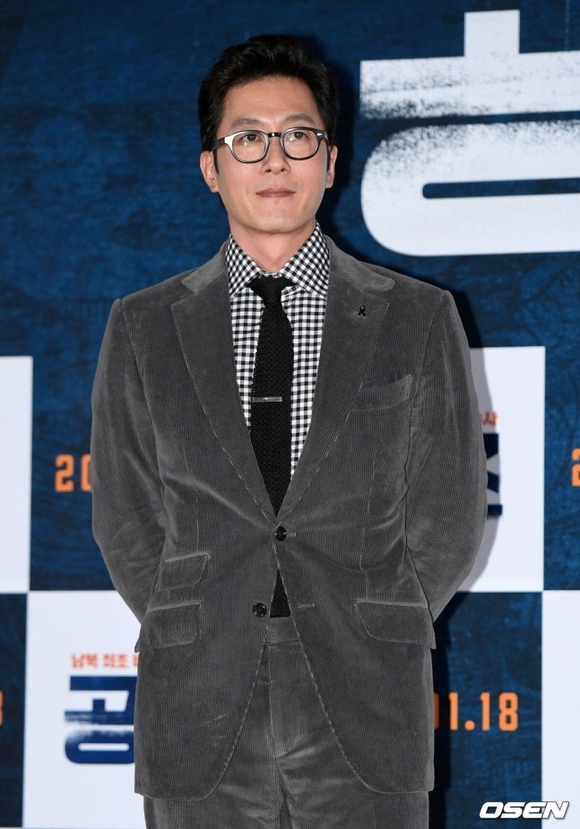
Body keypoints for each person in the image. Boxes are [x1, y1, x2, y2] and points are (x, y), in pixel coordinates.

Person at [91, 33, 487, 829]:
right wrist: (196, 619)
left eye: (298, 136)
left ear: (330, 161)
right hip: (199, 702)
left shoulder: (416, 317)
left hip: (366, 698)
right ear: (211, 166)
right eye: (248, 138)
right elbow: (127, 518)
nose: (275, 159)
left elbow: (448, 512)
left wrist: (373, 620)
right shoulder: (143, 327)